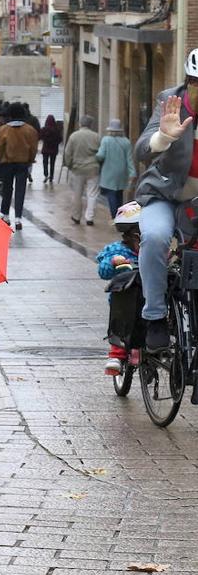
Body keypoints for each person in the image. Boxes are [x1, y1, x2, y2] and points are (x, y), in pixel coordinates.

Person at [134, 49, 198, 350]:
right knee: (156, 237)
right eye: (197, 83)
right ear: (189, 83)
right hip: (163, 194)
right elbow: (142, 150)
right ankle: (155, 317)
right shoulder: (170, 102)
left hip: (195, 204)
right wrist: (164, 137)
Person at [97, 201, 141, 375]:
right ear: (129, 236)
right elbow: (103, 271)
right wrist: (114, 261)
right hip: (125, 299)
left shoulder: (154, 249)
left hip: (146, 297)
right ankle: (116, 354)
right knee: (121, 320)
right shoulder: (116, 250)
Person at [0, 101, 39, 231]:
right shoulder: (30, 130)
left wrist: (0, 160)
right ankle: (18, 218)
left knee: (7, 189)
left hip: (7, 163)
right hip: (23, 164)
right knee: (20, 190)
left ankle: (5, 215)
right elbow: (34, 148)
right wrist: (30, 159)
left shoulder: (4, 129)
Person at [64, 115, 101, 226]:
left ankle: (76, 216)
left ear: (80, 123)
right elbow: (101, 152)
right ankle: (89, 217)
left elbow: (67, 153)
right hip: (93, 168)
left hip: (77, 169)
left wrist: (69, 165)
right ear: (91, 124)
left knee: (77, 194)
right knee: (92, 194)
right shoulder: (97, 136)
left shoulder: (74, 136)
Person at [96, 118, 136, 218]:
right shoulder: (126, 142)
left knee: (111, 195)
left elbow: (100, 156)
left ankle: (115, 217)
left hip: (109, 173)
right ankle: (120, 215)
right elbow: (129, 159)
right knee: (119, 194)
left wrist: (95, 157)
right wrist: (132, 173)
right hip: (122, 173)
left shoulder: (106, 140)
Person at [40, 115, 62, 184]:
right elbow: (60, 139)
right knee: (52, 163)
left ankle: (46, 174)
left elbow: (40, 136)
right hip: (54, 149)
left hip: (45, 149)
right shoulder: (57, 130)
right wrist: (55, 143)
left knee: (45, 162)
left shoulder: (44, 129)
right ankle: (51, 177)